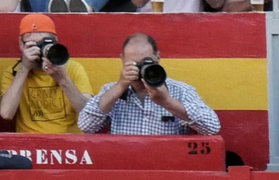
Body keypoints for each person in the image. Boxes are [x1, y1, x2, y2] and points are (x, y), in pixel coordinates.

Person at [79, 32, 222, 135]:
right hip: (126, 166)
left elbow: (212, 127)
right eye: (133, 63)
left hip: (168, 167)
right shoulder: (112, 90)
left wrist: (168, 102)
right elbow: (86, 125)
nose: (140, 68)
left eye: (145, 62)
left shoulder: (180, 91)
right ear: (122, 60)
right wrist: (120, 86)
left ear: (158, 57)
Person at [0, 12, 92, 132]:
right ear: (21, 45)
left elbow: (87, 113)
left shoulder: (73, 68)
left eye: (44, 43)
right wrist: (24, 69)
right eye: (33, 44)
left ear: (55, 41)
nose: (40, 49)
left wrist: (63, 79)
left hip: (68, 144)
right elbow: (6, 114)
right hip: (29, 144)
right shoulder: (13, 72)